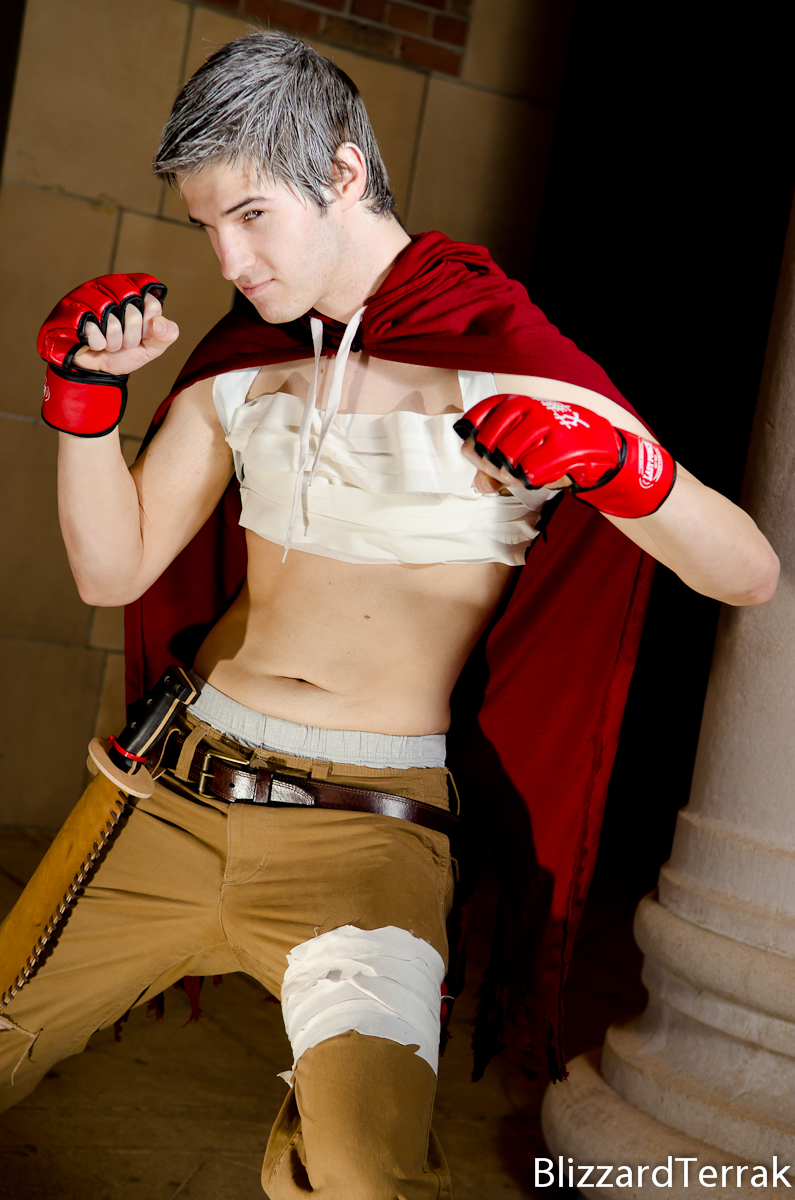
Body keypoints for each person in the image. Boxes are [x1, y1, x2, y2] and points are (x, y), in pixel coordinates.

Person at [0, 31, 778, 1199]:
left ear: (345, 172)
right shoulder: (244, 363)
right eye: (207, 226)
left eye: (252, 215)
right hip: (174, 791)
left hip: (369, 836)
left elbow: (746, 572)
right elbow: (114, 571)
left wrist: (626, 467)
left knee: (370, 1174)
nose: (230, 259)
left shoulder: (506, 356)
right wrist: (84, 402)